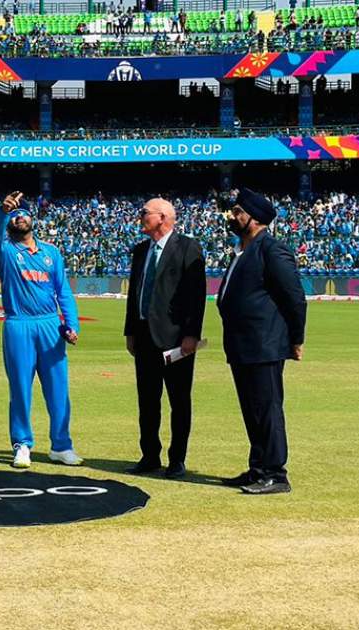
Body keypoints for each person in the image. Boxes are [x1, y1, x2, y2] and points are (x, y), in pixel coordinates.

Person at [217, 188, 307, 495]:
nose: (233, 216)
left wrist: (296, 338)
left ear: (254, 218)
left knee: (267, 410)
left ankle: (275, 473)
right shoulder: (244, 249)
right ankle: (258, 468)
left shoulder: (272, 249)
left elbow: (294, 297)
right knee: (252, 410)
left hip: (264, 344)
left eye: (239, 212)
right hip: (243, 345)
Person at [0, 191, 82, 469]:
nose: (19, 218)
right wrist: (2, 213)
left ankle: (61, 446)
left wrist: (71, 325)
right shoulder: (5, 252)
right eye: (14, 216)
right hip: (19, 325)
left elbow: (63, 292)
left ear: (32, 219)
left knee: (58, 389)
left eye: (22, 214)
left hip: (50, 325)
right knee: (20, 389)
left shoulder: (51, 253)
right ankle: (22, 445)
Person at [123, 198, 206, 479]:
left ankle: (177, 459)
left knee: (179, 401)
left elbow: (197, 296)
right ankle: (149, 455)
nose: (140, 216)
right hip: (145, 336)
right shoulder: (140, 251)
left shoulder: (187, 248)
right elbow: (134, 294)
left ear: (163, 217)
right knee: (147, 401)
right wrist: (131, 331)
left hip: (176, 340)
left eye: (145, 212)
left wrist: (192, 334)